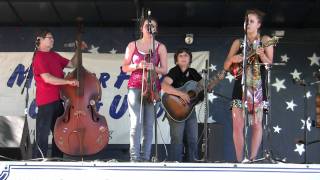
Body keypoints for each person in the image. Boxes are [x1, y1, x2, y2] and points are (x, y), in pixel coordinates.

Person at [223, 9, 274, 162]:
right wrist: (233, 59)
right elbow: (226, 66)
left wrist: (261, 54)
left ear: (258, 24)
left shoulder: (266, 39)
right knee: (238, 126)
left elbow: (269, 64)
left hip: (258, 88)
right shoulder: (238, 42)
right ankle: (240, 160)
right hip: (240, 86)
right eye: (246, 21)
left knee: (257, 125)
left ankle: (252, 159)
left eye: (251, 21)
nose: (248, 24)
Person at [32, 29, 86, 158]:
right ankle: (39, 161)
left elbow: (72, 64)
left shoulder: (54, 55)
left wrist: (79, 50)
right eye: (49, 37)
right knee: (42, 134)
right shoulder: (38, 57)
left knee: (59, 132)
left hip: (58, 100)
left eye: (52, 38)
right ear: (40, 39)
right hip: (46, 101)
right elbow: (47, 78)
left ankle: (57, 160)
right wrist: (68, 82)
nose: (52, 40)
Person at [122, 17, 168, 162]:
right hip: (135, 86)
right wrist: (137, 66)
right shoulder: (132, 45)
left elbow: (165, 69)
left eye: (152, 26)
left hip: (152, 87)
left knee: (149, 125)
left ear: (156, 30)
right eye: (147, 25)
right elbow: (124, 67)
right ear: (141, 28)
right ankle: (134, 158)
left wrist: (154, 67)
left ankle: (145, 157)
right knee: (136, 122)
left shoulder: (160, 47)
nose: (149, 28)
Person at [161, 48, 202, 162]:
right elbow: (164, 85)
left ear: (190, 59)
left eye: (186, 56)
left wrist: (211, 83)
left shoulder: (193, 72)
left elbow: (202, 88)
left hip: (190, 110)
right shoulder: (174, 71)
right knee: (177, 138)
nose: (183, 58)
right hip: (176, 109)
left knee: (193, 138)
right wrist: (181, 94)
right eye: (181, 56)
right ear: (176, 60)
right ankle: (175, 164)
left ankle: (193, 163)